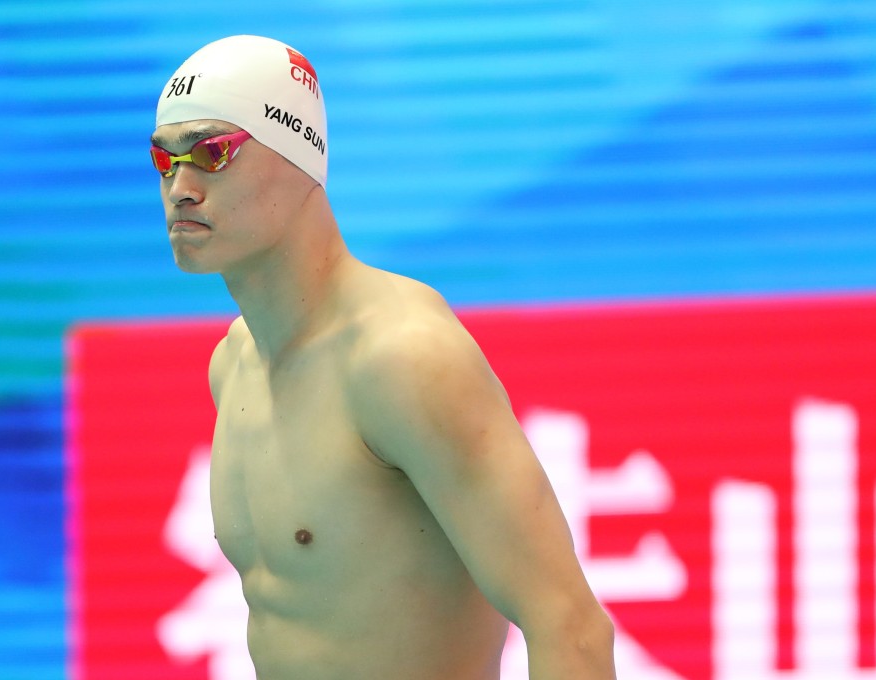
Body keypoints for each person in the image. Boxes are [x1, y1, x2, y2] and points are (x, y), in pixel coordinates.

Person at [150, 35, 616, 680]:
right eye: (165, 159)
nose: (181, 186)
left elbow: (570, 624)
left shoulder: (402, 357)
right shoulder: (233, 366)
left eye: (211, 152)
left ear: (299, 156)